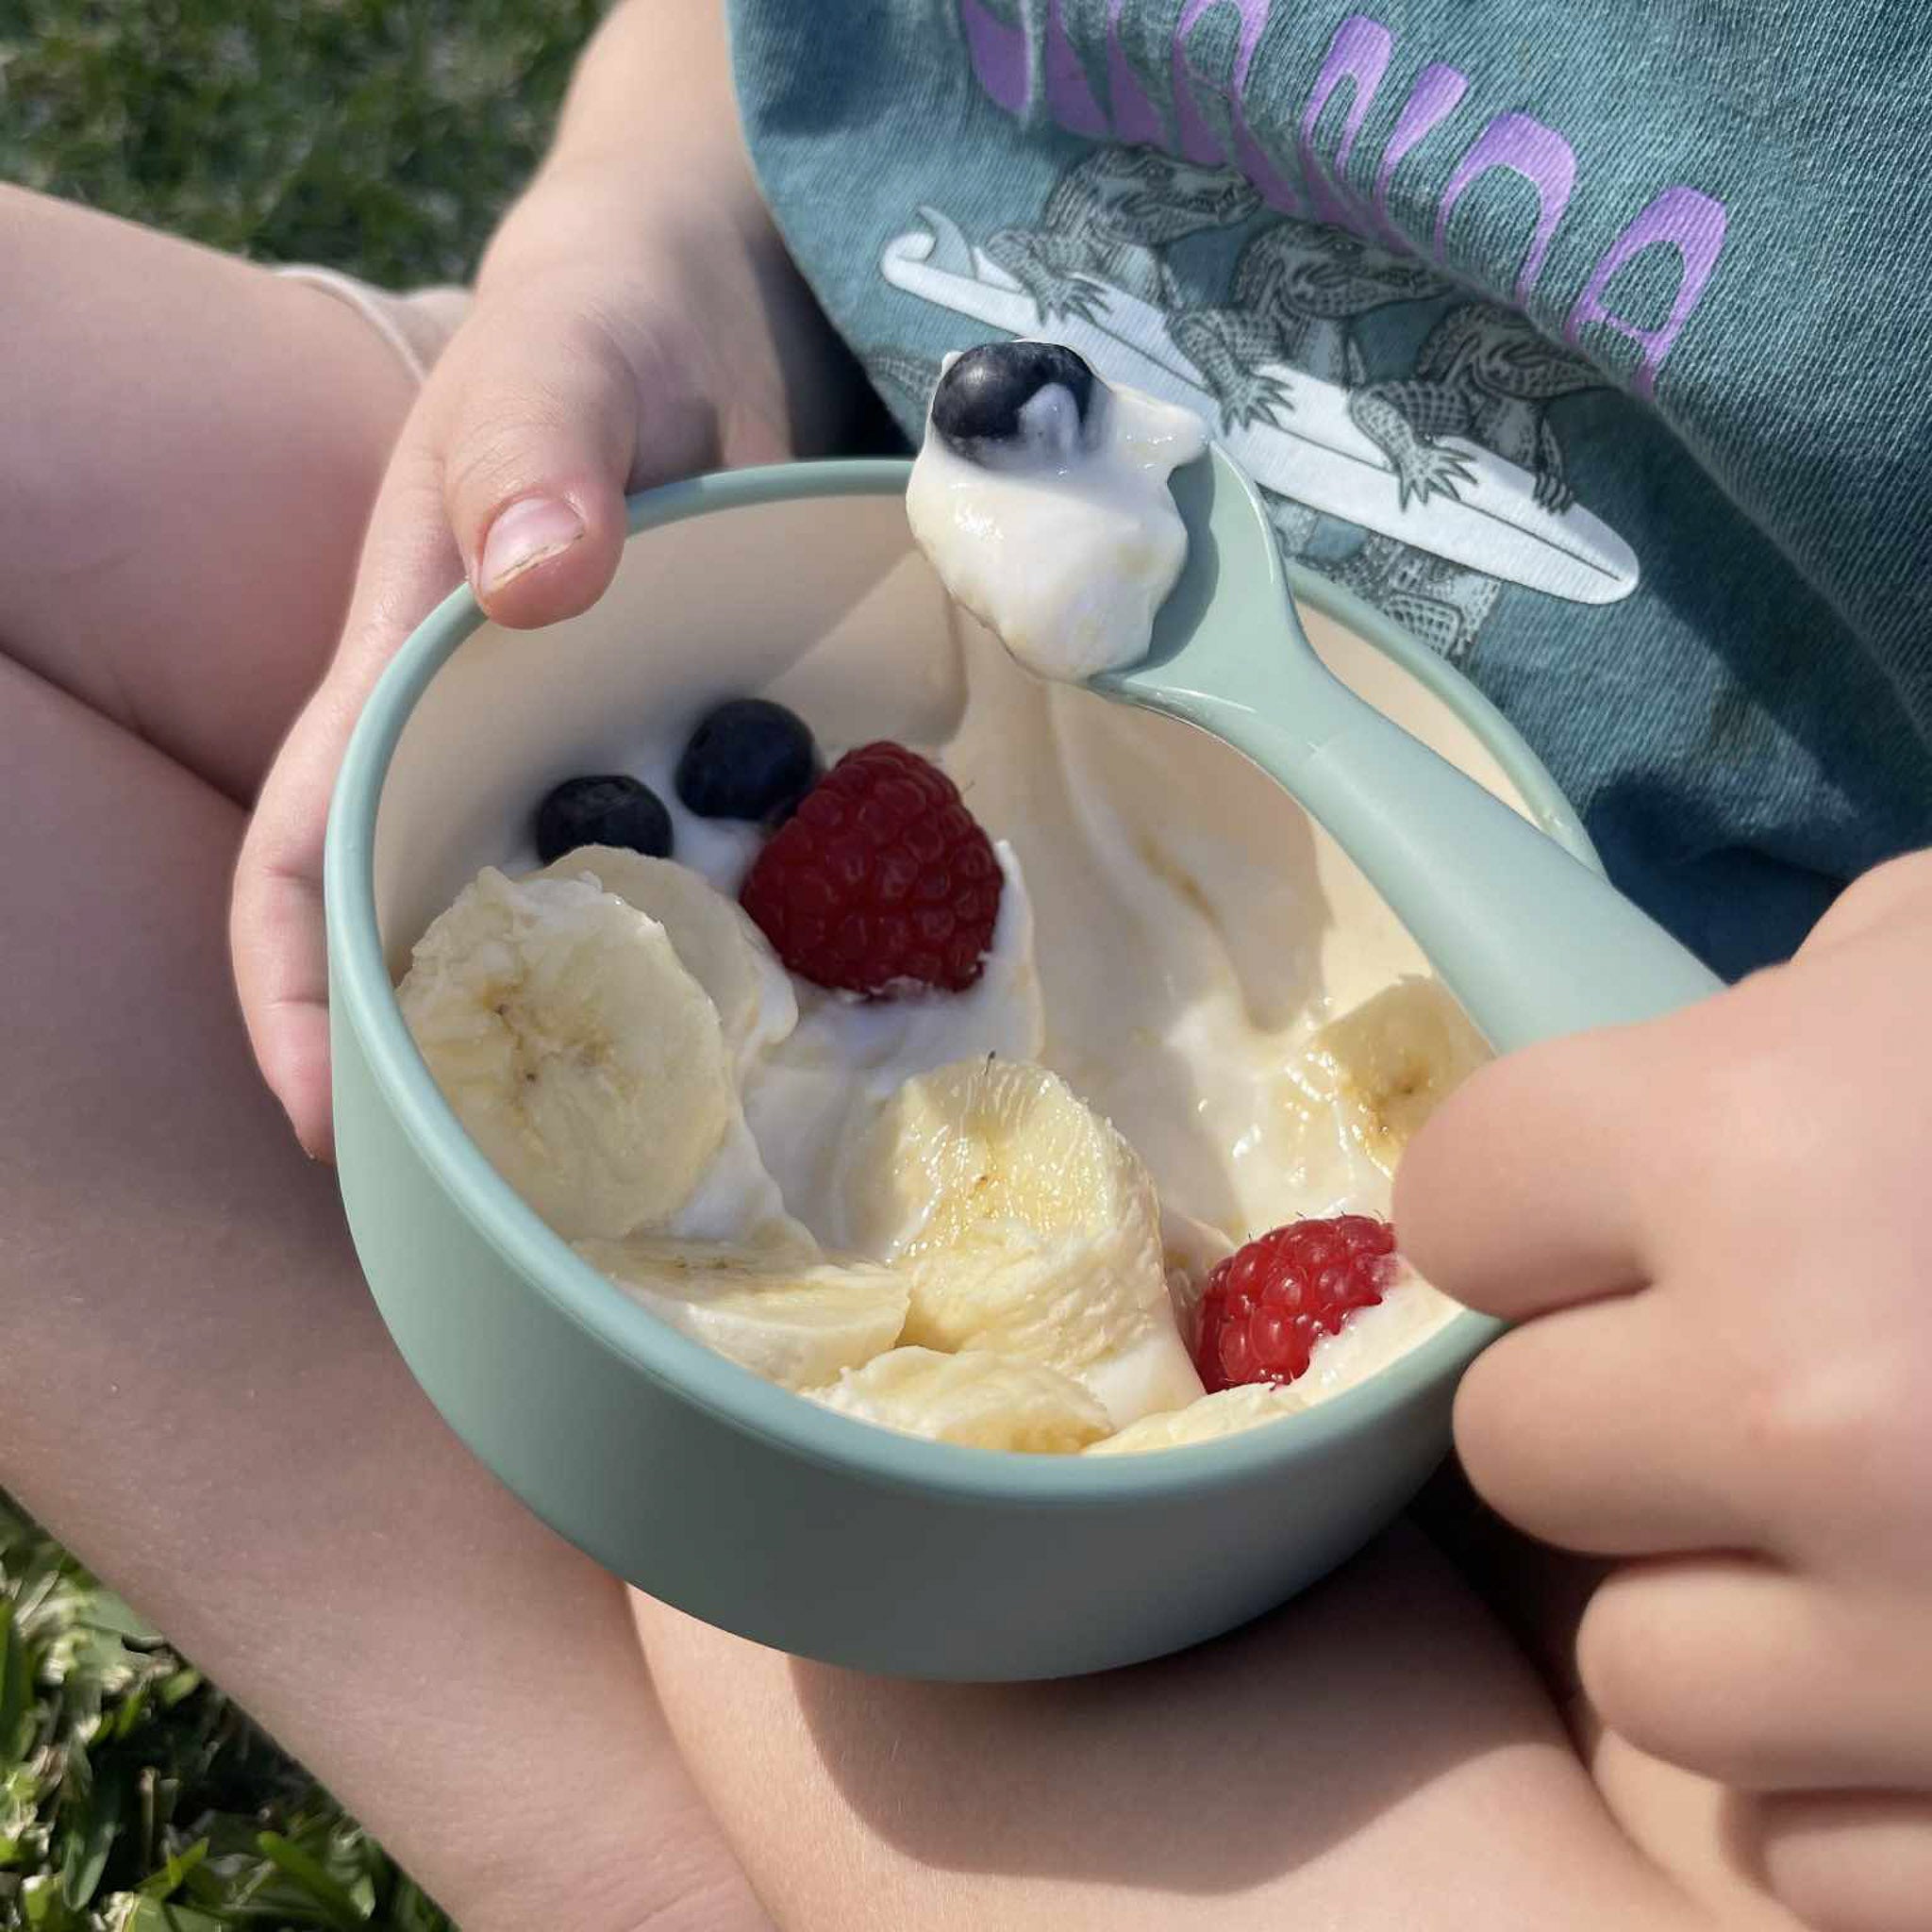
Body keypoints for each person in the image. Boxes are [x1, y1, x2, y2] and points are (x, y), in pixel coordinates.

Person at [3, 1, 1927, 1927]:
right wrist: (644, 233)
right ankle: (628, 1813)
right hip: (788, 507)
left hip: (1662, 1253)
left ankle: (724, 1842)